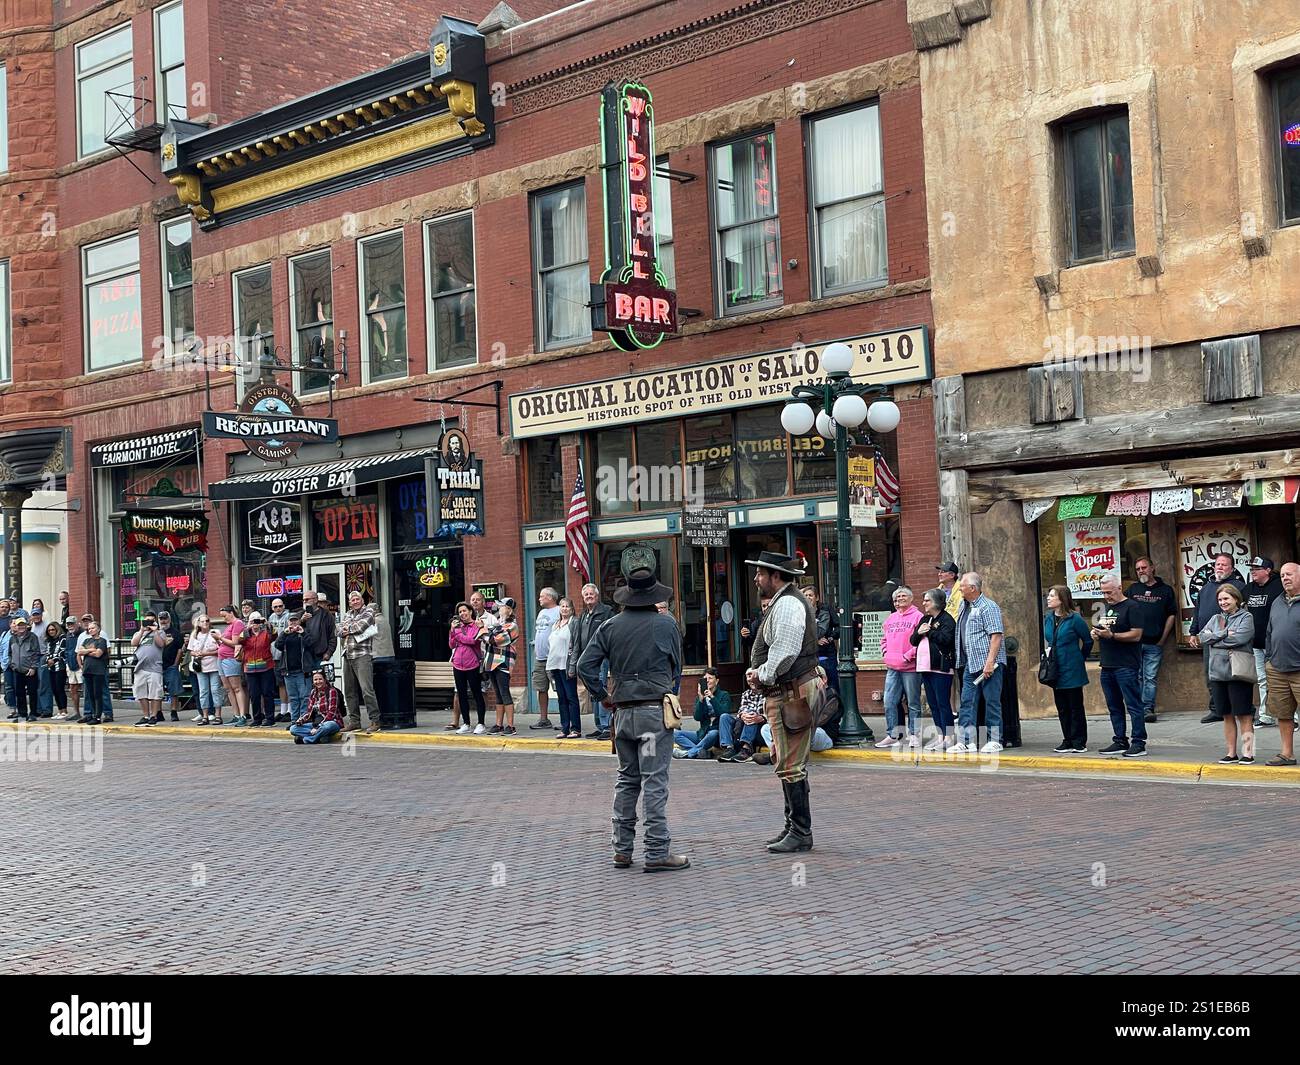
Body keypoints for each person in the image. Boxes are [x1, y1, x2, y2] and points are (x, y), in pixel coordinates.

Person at [577, 561, 688, 872]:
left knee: (627, 780)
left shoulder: (610, 626)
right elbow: (676, 669)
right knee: (654, 781)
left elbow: (585, 666)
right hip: (654, 713)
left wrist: (604, 696)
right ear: (654, 594)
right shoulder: (666, 624)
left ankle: (622, 850)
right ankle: (656, 851)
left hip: (623, 714)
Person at [745, 550, 821, 855]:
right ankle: (794, 826)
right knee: (788, 762)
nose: (755, 578)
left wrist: (762, 674)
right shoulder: (784, 601)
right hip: (788, 690)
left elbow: (786, 650)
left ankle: (801, 831)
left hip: (793, 691)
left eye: (760, 573)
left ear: (776, 576)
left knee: (791, 764)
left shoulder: (789, 603)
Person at [1198, 583, 1256, 764]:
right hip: (1217, 673)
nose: (1223, 602)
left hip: (1238, 673)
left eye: (1226, 599)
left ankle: (1248, 753)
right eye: (1220, 599)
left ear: (1236, 599)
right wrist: (1224, 633)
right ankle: (1231, 753)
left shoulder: (1246, 617)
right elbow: (1202, 637)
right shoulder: (1215, 618)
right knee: (1227, 715)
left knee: (1244, 714)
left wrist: (1215, 638)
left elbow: (1240, 638)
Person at [1092, 574, 1147, 758]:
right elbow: (1105, 629)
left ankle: (1138, 742)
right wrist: (1097, 633)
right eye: (1104, 593)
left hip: (1126, 664)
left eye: (1109, 592)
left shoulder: (1132, 607)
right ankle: (1119, 740)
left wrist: (1112, 636)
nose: (1107, 596)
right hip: (1107, 664)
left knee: (1133, 704)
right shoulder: (1107, 608)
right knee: (1114, 705)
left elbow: (1137, 634)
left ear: (1119, 587)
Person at [953, 572, 1008, 755]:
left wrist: (990, 662)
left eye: (962, 585)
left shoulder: (988, 606)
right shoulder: (964, 605)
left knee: (992, 701)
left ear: (973, 588)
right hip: (971, 662)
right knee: (967, 701)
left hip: (988, 663)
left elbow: (996, 635)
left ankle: (995, 740)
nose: (960, 588)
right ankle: (965, 741)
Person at [1190, 553, 1246, 724]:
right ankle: (1217, 709)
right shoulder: (1206, 588)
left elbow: (1245, 612)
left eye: (1224, 564)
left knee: (1236, 673)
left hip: (1232, 638)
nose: (1219, 567)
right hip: (1210, 640)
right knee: (1212, 674)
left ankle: (1241, 707)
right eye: (1217, 564)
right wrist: (1193, 632)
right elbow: (1197, 611)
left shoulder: (1239, 587)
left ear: (1232, 568)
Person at [1126, 556, 1177, 724]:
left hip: (1154, 643)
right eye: (1138, 568)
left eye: (1144, 567)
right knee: (1136, 676)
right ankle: (1138, 708)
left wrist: (1162, 639)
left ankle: (1148, 708)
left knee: (1150, 677)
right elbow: (1123, 610)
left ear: (1152, 568)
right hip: (1134, 643)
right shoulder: (1133, 589)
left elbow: (1171, 615)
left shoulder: (1166, 590)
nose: (1141, 571)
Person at [1042, 585, 1093, 754]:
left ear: (1062, 599)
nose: (1048, 598)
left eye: (1051, 595)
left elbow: (1087, 641)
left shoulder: (1075, 619)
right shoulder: (1048, 619)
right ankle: (1067, 739)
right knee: (1062, 706)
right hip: (1055, 667)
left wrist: (1080, 658)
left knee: (1075, 705)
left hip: (1072, 667)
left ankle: (1079, 740)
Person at [876, 586, 923, 749]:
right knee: (889, 702)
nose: (899, 600)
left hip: (910, 668)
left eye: (903, 596)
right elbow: (884, 640)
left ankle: (914, 735)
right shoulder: (890, 619)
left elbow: (922, 642)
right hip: (892, 667)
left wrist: (907, 656)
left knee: (913, 703)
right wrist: (886, 653)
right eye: (896, 598)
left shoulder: (918, 617)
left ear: (911, 599)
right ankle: (892, 735)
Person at [1264, 562, 1300, 767]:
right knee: (1283, 714)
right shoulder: (1277, 602)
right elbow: (1270, 632)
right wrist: (1269, 658)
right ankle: (1287, 754)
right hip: (1277, 668)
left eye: (1290, 574)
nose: (1285, 578)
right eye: (1283, 575)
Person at [911, 588, 957, 751]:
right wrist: (919, 632)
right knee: (933, 704)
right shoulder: (925, 619)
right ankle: (940, 736)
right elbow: (913, 640)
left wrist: (929, 631)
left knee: (943, 703)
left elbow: (946, 639)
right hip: (925, 667)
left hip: (941, 667)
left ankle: (949, 737)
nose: (924, 603)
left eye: (927, 600)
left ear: (937, 602)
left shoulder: (947, 620)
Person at [569, 583, 614, 740]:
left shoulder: (606, 612)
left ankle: (607, 726)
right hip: (587, 659)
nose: (588, 596)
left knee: (601, 687)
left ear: (597, 595)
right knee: (593, 690)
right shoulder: (583, 615)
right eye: (586, 594)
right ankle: (599, 726)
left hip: (601, 657)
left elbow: (610, 634)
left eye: (591, 594)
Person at [1243, 557, 1283, 728]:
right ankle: (1265, 715)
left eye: (1256, 568)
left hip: (1277, 642)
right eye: (1251, 568)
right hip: (1257, 643)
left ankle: (1293, 717)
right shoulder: (1248, 588)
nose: (1253, 571)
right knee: (1262, 679)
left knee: (1284, 679)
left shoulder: (1279, 586)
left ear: (1267, 570)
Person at [339, 590, 381, 734]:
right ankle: (354, 721)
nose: (355, 601)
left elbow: (361, 626)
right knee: (349, 691)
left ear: (362, 600)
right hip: (348, 654)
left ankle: (375, 720)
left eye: (357, 599)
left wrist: (347, 629)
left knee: (366, 690)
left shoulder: (368, 611)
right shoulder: (348, 614)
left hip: (362, 655)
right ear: (350, 603)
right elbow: (338, 630)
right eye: (352, 600)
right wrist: (346, 629)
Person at [673, 667, 731, 759]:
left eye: (710, 678)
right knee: (675, 734)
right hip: (702, 734)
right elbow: (697, 717)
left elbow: (723, 713)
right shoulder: (700, 697)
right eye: (705, 679)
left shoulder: (724, 695)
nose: (707, 681)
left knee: (713, 733)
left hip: (716, 735)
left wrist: (712, 698)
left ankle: (689, 753)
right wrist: (701, 700)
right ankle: (700, 751)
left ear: (717, 681)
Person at [449, 600, 488, 734]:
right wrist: (452, 631)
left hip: (473, 664)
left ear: (470, 611)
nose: (462, 614)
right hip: (458, 664)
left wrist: (457, 632)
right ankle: (466, 723)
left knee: (477, 693)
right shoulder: (458, 627)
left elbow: (472, 640)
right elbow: (452, 644)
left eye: (464, 611)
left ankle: (481, 723)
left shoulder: (476, 625)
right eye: (460, 612)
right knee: (461, 694)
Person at [548, 597, 583, 738]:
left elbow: (576, 646)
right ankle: (565, 727)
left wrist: (573, 665)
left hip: (567, 665)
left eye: (567, 606)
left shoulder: (574, 622)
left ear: (572, 609)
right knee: (561, 698)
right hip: (554, 665)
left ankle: (576, 728)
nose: (564, 608)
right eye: (562, 606)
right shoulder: (555, 624)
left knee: (571, 697)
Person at [484, 597, 520, 735]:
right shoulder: (498, 622)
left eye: (502, 606)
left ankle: (511, 726)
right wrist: (486, 634)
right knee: (498, 693)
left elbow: (495, 640)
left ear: (509, 610)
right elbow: (484, 635)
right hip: (491, 661)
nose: (499, 608)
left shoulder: (512, 626)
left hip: (503, 661)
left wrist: (485, 633)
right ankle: (498, 724)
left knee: (505, 692)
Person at [273, 610, 314, 726]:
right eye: (291, 621)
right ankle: (294, 721)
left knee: (304, 697)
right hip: (288, 672)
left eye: (295, 621)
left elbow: (310, 644)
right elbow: (277, 645)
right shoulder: (285, 634)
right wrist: (285, 633)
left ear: (299, 622)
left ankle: (303, 720)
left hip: (302, 671)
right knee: (294, 698)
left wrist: (303, 633)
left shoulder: (304, 632)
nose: (293, 624)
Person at [130, 612, 171, 727]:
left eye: (151, 621)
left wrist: (155, 631)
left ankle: (154, 716)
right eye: (146, 620)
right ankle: (145, 716)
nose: (149, 623)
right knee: (140, 692)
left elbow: (161, 644)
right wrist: (142, 630)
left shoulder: (160, 632)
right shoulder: (139, 633)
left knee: (155, 693)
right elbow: (134, 643)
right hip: (140, 667)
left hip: (155, 667)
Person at [529, 587, 561, 729]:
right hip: (540, 657)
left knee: (560, 689)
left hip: (553, 657)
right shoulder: (542, 612)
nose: (539, 599)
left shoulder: (560, 610)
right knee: (541, 688)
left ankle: (565, 719)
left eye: (542, 596)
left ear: (550, 597)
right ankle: (543, 719)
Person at [289, 670, 345, 745]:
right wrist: (301, 720)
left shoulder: (332, 691)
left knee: (327, 727)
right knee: (293, 729)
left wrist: (318, 727)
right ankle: (321, 737)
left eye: (320, 679)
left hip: (331, 722)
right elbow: (309, 712)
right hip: (315, 723)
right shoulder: (313, 692)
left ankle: (307, 740)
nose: (318, 682)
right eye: (315, 680)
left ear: (325, 680)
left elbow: (331, 713)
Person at [801, 586, 839, 694]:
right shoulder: (800, 612)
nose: (808, 598)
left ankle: (836, 708)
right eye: (805, 596)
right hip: (809, 656)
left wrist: (830, 638)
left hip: (827, 653)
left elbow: (838, 627)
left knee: (832, 684)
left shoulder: (825, 610)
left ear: (816, 597)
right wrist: (815, 641)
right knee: (814, 688)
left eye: (810, 595)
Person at [215, 605, 248, 725]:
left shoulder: (237, 623)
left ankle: (243, 715)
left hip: (231, 658)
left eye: (224, 616)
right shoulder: (229, 626)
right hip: (222, 658)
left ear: (231, 613)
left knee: (237, 687)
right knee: (228, 689)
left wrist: (220, 638)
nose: (224, 619)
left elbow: (235, 643)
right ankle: (236, 714)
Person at [187, 614, 222, 725]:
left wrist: (207, 653)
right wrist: (196, 653)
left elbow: (220, 649)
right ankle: (205, 716)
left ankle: (217, 715)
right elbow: (190, 650)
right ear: (199, 623)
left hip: (214, 665)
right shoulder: (195, 635)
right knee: (203, 691)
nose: (205, 623)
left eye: (207, 620)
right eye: (202, 621)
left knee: (215, 690)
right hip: (201, 667)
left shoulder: (215, 633)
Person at [717, 684, 764, 763]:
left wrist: (760, 717)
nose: (749, 680)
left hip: (759, 729)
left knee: (751, 714)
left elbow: (768, 713)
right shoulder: (746, 693)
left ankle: (746, 749)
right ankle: (729, 748)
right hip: (743, 725)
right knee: (724, 717)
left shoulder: (766, 693)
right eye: (748, 677)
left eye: (751, 676)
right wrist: (742, 715)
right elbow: (741, 710)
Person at [77, 621, 112, 724]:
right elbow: (80, 651)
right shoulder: (86, 640)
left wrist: (87, 651)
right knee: (90, 694)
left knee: (98, 693)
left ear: (98, 629)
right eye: (89, 628)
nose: (90, 630)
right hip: (87, 670)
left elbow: (98, 654)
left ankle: (98, 716)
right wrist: (91, 649)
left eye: (93, 628)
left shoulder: (102, 641)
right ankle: (92, 714)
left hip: (98, 670)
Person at [8, 617, 41, 722]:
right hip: (17, 670)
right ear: (16, 627)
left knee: (32, 692)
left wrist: (33, 667)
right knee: (19, 693)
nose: (21, 627)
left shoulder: (32, 637)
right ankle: (22, 714)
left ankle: (33, 714)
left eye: (23, 625)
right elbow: (10, 653)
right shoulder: (12, 638)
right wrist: (12, 664)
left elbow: (36, 653)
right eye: (19, 625)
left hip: (30, 670)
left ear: (26, 626)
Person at [301, 589, 336, 676]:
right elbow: (293, 632)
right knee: (309, 686)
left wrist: (329, 652)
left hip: (322, 656)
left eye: (307, 599)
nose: (305, 602)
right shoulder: (301, 614)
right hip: (306, 657)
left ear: (315, 600)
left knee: (325, 683)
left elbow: (333, 636)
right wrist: (302, 621)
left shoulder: (327, 615)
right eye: (304, 600)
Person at [267, 598, 291, 722]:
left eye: (280, 606)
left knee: (288, 682)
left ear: (284, 606)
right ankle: (283, 710)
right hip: (274, 655)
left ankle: (291, 710)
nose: (278, 609)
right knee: (280, 683)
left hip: (286, 654)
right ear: (272, 608)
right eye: (275, 607)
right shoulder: (271, 618)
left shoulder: (289, 617)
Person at [157, 611, 183, 721]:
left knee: (174, 691)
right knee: (157, 691)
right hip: (157, 666)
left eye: (165, 618)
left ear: (169, 619)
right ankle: (158, 712)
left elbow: (180, 649)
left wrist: (175, 664)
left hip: (171, 666)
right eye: (161, 618)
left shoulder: (175, 633)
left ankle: (173, 712)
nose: (163, 621)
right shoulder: (155, 633)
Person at [42, 621, 68, 719]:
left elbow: (62, 651)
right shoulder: (49, 641)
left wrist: (54, 659)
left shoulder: (62, 638)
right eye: (49, 630)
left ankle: (64, 711)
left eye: (53, 629)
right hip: (51, 667)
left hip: (60, 667)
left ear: (57, 629)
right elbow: (48, 652)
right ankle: (60, 710)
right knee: (54, 689)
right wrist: (48, 659)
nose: (51, 632)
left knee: (60, 688)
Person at [61, 615, 83, 722]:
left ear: (77, 624)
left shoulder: (83, 634)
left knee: (86, 688)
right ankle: (76, 712)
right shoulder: (68, 635)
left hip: (81, 664)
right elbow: (66, 650)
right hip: (70, 664)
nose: (70, 626)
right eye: (68, 624)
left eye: (72, 624)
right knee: (72, 688)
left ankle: (90, 712)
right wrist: (66, 662)